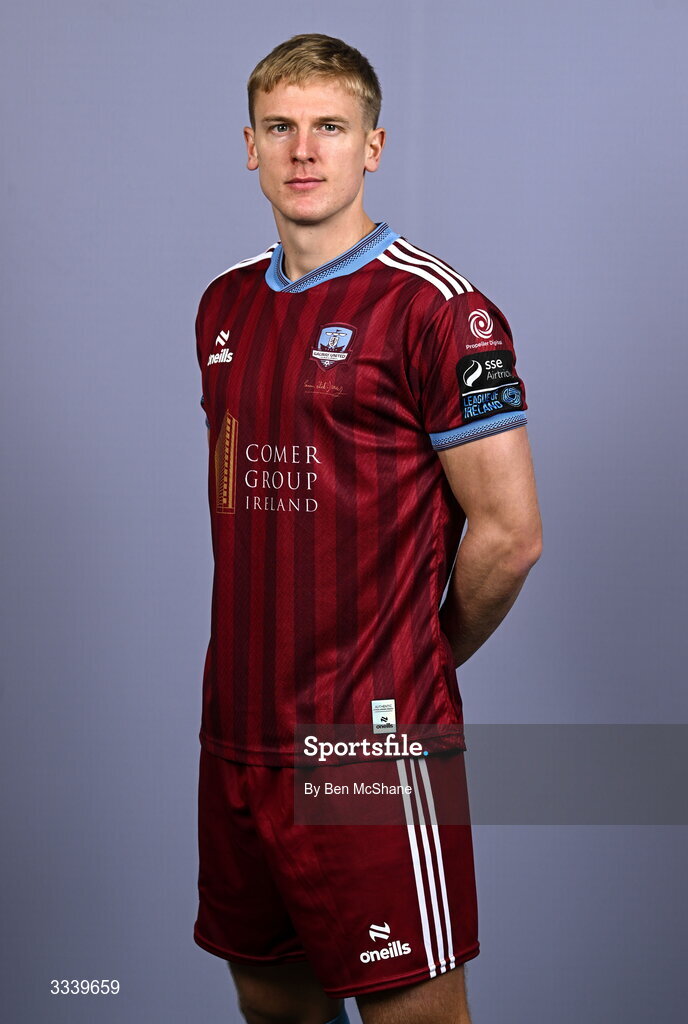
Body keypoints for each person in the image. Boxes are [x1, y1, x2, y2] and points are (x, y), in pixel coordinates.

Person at [193, 32, 542, 1024]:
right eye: (282, 127)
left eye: (330, 128)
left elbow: (510, 532)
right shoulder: (223, 305)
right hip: (237, 734)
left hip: (365, 748)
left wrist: (419, 658)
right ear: (250, 146)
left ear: (371, 148)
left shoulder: (437, 309)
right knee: (272, 1004)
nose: (305, 150)